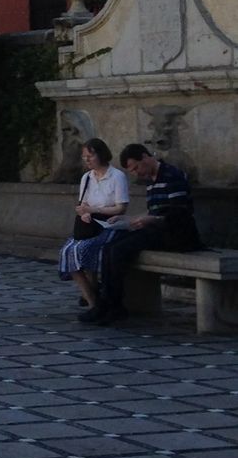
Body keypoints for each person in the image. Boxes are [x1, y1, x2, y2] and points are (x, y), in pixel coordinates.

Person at [84, 142, 202, 325]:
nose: (136, 173)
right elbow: (154, 211)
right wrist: (129, 219)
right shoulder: (151, 180)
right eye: (131, 170)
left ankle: (115, 306)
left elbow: (179, 213)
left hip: (176, 234)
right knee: (109, 247)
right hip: (157, 229)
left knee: (119, 250)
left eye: (136, 167)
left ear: (145, 157)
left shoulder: (172, 176)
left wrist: (152, 220)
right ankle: (104, 303)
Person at [57, 137, 128, 309]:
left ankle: (94, 295)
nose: (87, 160)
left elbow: (121, 208)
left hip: (108, 224)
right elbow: (83, 204)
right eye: (84, 157)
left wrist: (94, 210)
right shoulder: (87, 177)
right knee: (68, 251)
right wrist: (84, 213)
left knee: (84, 250)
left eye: (90, 156)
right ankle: (91, 297)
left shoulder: (116, 176)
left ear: (101, 155)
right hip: (89, 225)